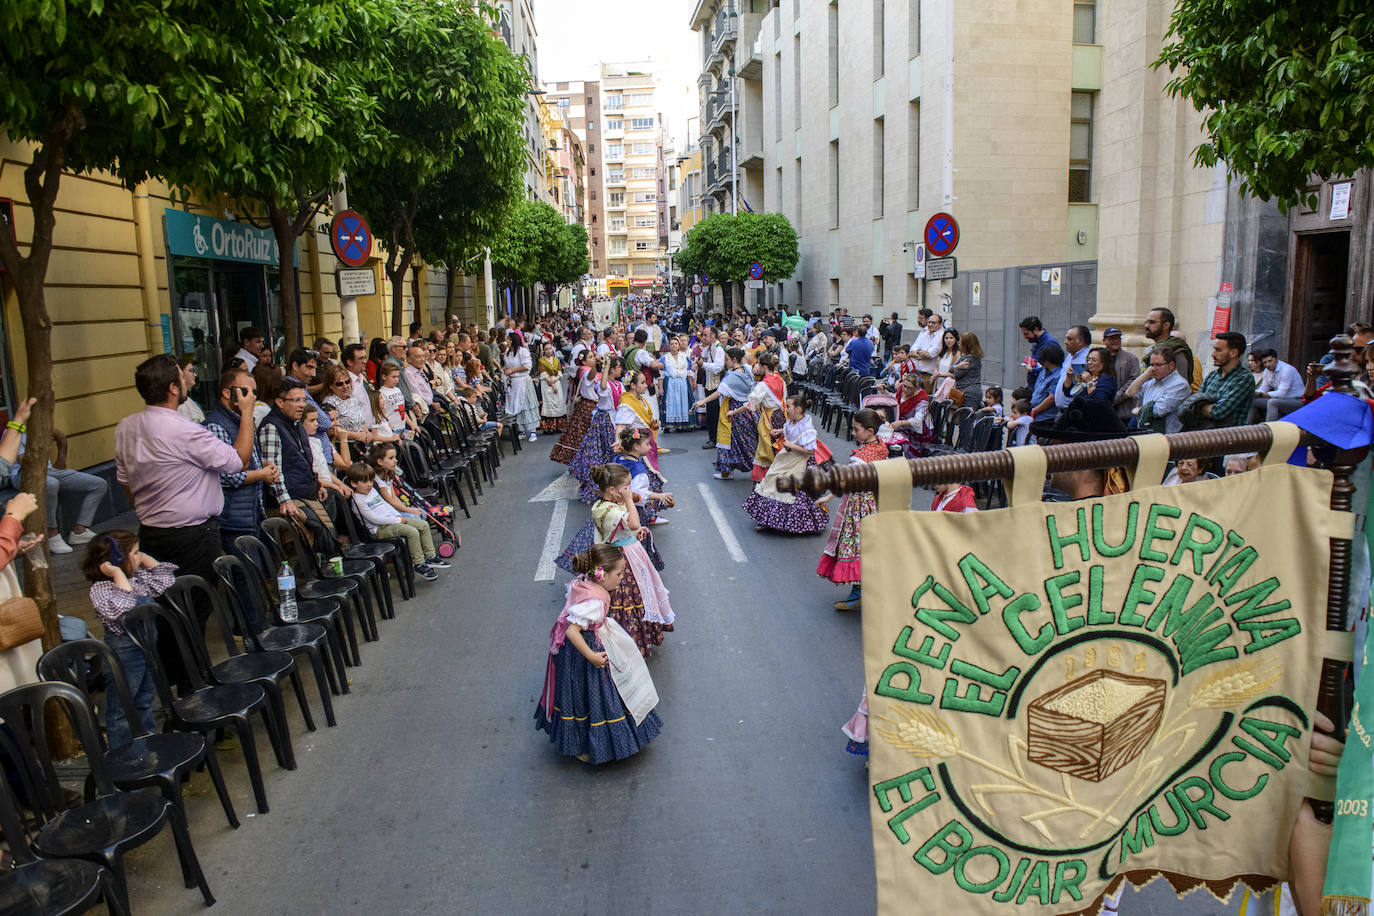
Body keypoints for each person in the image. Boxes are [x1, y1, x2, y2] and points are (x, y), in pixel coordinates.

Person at [115, 353, 255, 582]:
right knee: (196, 601)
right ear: (172, 388)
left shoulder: (126, 427)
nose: (188, 380)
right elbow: (239, 461)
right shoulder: (185, 430)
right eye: (182, 377)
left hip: (151, 530)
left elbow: (125, 482)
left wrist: (151, 508)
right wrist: (247, 412)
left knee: (166, 598)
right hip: (192, 536)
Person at [535, 543, 662, 764]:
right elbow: (573, 631)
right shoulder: (596, 600)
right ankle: (591, 745)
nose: (622, 577)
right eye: (619, 573)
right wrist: (592, 656)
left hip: (581, 646)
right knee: (593, 695)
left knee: (581, 696)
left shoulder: (584, 582)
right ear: (602, 575)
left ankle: (583, 741)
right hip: (585, 650)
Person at [84, 531, 177, 748]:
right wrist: (118, 574)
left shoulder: (138, 579)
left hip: (146, 648)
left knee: (144, 700)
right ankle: (124, 757)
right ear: (115, 562)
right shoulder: (102, 589)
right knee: (123, 707)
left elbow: (166, 579)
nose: (139, 556)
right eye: (134, 553)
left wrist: (144, 559)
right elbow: (122, 607)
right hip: (125, 655)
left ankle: (146, 747)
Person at [587, 463, 673, 657]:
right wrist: (629, 502)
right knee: (630, 596)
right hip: (622, 558)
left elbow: (626, 527)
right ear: (612, 490)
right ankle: (629, 644)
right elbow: (634, 521)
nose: (628, 490)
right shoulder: (608, 509)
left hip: (624, 549)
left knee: (638, 594)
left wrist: (634, 531)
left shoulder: (604, 506)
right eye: (625, 487)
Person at [8, 408, 108, 555]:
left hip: (50, 471)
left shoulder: (44, 427)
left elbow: (61, 437)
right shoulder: (15, 432)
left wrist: (61, 459)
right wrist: (37, 443)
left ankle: (80, 531)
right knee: (52, 484)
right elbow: (25, 461)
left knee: (99, 484)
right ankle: (52, 534)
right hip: (23, 474)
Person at [817, 409, 889, 611]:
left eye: (856, 430)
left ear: (869, 431)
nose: (853, 433)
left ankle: (859, 591)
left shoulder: (862, 456)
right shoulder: (879, 446)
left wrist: (829, 496)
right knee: (867, 546)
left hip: (861, 504)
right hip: (874, 500)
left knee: (857, 546)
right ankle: (869, 589)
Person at [202, 367, 277, 556]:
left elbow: (248, 458)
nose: (250, 398)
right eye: (244, 392)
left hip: (253, 512)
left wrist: (263, 465)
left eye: (254, 393)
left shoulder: (242, 419)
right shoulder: (216, 425)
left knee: (261, 575)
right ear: (227, 393)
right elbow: (228, 476)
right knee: (245, 577)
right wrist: (261, 474)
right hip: (233, 518)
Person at [743, 394, 830, 535]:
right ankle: (770, 520)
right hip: (787, 458)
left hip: (799, 462)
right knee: (772, 483)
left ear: (798, 408)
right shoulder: (793, 421)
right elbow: (792, 430)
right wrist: (781, 431)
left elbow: (809, 450)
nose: (786, 409)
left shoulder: (807, 426)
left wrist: (790, 445)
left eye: (788, 406)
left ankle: (789, 523)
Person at [255, 378, 332, 531]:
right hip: (289, 502)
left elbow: (303, 460)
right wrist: (284, 500)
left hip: (305, 494)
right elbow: (273, 470)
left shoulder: (295, 423)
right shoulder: (271, 426)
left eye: (303, 399)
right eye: (296, 400)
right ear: (279, 402)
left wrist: (315, 486)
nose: (302, 405)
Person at [346, 463, 440, 582]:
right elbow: (374, 518)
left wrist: (397, 515)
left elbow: (385, 504)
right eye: (365, 482)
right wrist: (397, 520)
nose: (369, 484)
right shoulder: (358, 500)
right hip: (380, 529)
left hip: (392, 520)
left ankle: (430, 556)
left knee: (423, 525)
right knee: (412, 532)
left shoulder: (372, 491)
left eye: (370, 480)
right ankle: (419, 563)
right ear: (354, 484)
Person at [696, 347, 756, 480]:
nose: (725, 362)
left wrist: (703, 401)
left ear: (734, 360)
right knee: (747, 442)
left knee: (727, 441)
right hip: (747, 411)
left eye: (727, 359)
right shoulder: (747, 370)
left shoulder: (733, 376)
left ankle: (726, 471)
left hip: (733, 412)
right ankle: (756, 469)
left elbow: (719, 392)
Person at [569, 360, 624, 504]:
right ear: (611, 370)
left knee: (613, 453)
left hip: (615, 420)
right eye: (618, 367)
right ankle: (601, 487)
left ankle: (614, 486)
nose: (621, 369)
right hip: (603, 422)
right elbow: (604, 386)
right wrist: (605, 366)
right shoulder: (603, 384)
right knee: (599, 453)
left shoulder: (620, 384)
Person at [1195, 332, 1255, 428]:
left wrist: (1199, 406)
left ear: (1233, 353)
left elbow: (1218, 412)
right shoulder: (1212, 376)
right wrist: (1201, 406)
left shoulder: (1244, 378)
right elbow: (1193, 403)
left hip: (1228, 437)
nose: (1213, 354)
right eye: (1214, 349)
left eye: (1218, 350)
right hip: (1202, 434)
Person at [551, 351, 599, 465]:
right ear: (583, 361)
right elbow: (591, 376)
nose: (593, 359)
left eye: (593, 357)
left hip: (591, 405)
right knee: (583, 436)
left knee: (585, 436)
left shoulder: (588, 369)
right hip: (587, 407)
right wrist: (598, 362)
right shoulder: (584, 370)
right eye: (591, 357)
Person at [1132, 347, 1191, 433]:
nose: (1153, 369)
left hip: (1169, 439)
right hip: (1147, 434)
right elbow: (1130, 392)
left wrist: (1139, 411)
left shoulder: (1180, 384)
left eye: (1158, 365)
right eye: (1151, 365)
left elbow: (1159, 410)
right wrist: (1146, 374)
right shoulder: (1152, 382)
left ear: (1171, 365)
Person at [1142, 307, 1196, 390]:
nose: (1146, 326)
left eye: (1152, 322)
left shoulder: (1176, 350)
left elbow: (1180, 386)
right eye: (1146, 322)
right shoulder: (1150, 350)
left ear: (1166, 325)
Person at [502, 330, 540, 442]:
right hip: (513, 383)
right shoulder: (508, 353)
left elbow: (527, 366)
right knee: (516, 406)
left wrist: (512, 371)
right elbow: (506, 366)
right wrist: (506, 371)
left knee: (526, 404)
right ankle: (521, 429)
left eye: (509, 340)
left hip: (523, 381)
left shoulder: (522, 351)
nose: (507, 341)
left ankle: (532, 431)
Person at [1251, 348, 1306, 421]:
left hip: (1297, 401)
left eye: (1270, 361)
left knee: (1273, 402)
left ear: (1276, 359)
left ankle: (1269, 429)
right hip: (1282, 400)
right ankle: (1248, 426)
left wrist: (1261, 394)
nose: (1268, 364)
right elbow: (1263, 389)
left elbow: (1281, 393)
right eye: (1265, 362)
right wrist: (1253, 393)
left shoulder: (1286, 370)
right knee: (1252, 400)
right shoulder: (1267, 371)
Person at [1102, 328, 1141, 422]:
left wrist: (1115, 398)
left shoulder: (1131, 358)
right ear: (1104, 341)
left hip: (1124, 412)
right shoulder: (1098, 357)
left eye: (1118, 338)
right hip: (1103, 410)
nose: (1115, 341)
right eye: (1111, 338)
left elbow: (1134, 381)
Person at [699, 327, 726, 449]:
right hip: (710, 384)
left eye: (706, 335)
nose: (703, 337)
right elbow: (703, 356)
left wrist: (703, 364)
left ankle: (715, 439)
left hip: (716, 385)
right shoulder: (709, 348)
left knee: (714, 413)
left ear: (713, 336)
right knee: (711, 413)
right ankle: (713, 438)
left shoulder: (719, 348)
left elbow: (718, 367)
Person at [1028, 344, 1067, 423]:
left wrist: (1035, 411)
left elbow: (1051, 399)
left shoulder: (1058, 375)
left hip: (1046, 417)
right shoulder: (1043, 371)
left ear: (1048, 360)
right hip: (1035, 414)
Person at [662, 337, 693, 432]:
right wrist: (660, 387)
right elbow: (660, 373)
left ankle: (682, 424)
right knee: (671, 402)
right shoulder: (665, 358)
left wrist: (691, 383)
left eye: (676, 343)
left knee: (682, 401)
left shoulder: (685, 357)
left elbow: (689, 371)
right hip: (670, 382)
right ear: (669, 346)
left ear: (679, 345)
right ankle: (669, 424)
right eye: (672, 344)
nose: (674, 345)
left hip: (683, 382)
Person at [1019, 316, 1060, 386]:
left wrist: (1033, 370)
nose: (1025, 337)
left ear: (1036, 329)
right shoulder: (1036, 341)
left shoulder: (1050, 343)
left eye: (1026, 334)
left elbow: (1053, 369)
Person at [537, 342, 567, 434]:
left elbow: (560, 372)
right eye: (546, 349)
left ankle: (558, 426)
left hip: (556, 381)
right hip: (547, 384)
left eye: (550, 348)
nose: (549, 351)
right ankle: (549, 427)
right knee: (548, 403)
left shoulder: (556, 360)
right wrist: (552, 384)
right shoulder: (541, 360)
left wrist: (556, 380)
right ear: (544, 350)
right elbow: (543, 374)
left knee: (558, 403)